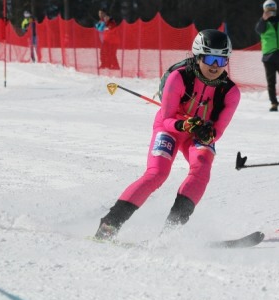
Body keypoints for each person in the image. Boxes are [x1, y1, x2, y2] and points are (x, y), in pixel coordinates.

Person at [95, 29, 241, 240]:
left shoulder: (230, 92)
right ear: (198, 56)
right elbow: (166, 120)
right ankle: (110, 224)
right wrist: (184, 125)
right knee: (157, 174)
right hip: (171, 128)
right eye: (210, 59)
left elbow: (217, 132)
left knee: (202, 170)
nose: (215, 66)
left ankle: (170, 233)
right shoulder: (179, 78)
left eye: (222, 60)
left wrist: (207, 134)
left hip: (197, 134)